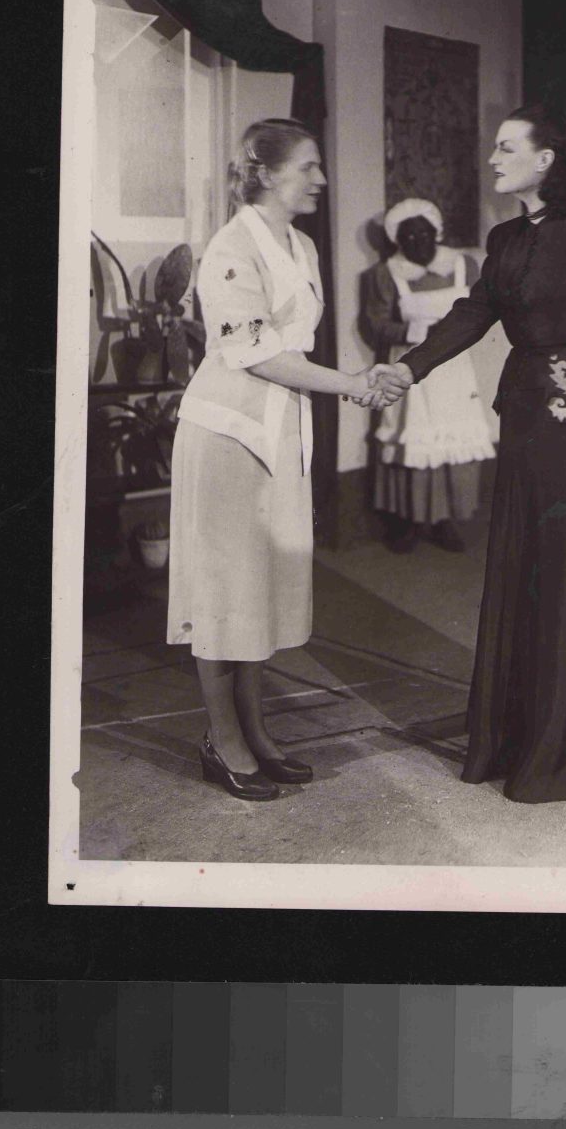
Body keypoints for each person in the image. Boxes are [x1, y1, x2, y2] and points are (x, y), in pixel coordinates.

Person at [371, 105, 566, 807]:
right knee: (529, 568)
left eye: (506, 148)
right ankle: (526, 735)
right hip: (524, 419)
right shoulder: (506, 236)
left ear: (547, 159)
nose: (493, 159)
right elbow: (474, 311)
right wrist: (408, 369)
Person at [167, 118, 388, 802]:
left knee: (257, 587)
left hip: (280, 432)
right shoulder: (231, 248)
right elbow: (256, 353)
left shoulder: (301, 245)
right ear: (265, 173)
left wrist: (350, 381)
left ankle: (256, 733)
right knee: (225, 589)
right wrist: (352, 384)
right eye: (308, 166)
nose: (321, 178)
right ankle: (223, 740)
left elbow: (294, 345)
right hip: (229, 435)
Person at [362, 197, 496, 553]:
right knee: (413, 440)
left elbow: (481, 313)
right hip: (409, 368)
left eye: (424, 233)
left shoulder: (464, 265)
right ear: (397, 240)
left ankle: (443, 520)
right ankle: (408, 522)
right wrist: (415, 331)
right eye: (408, 236)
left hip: (454, 370)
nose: (417, 241)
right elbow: (375, 325)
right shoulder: (385, 274)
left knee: (450, 440)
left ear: (436, 233)